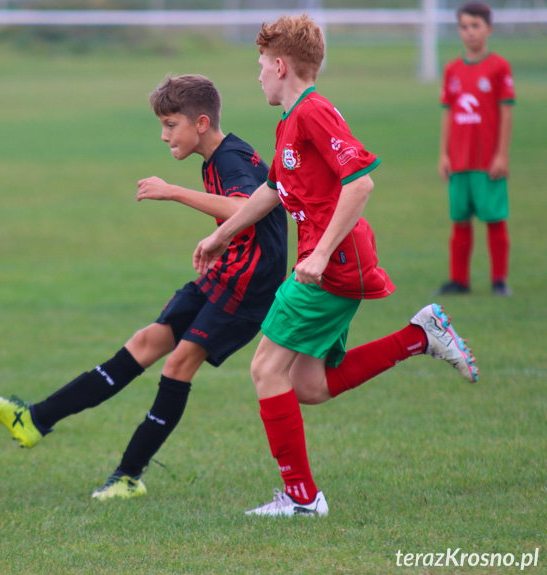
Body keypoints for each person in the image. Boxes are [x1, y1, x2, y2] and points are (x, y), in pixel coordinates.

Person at [193, 14, 479, 518]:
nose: (257, 74)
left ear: (280, 65)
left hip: (331, 265)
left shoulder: (313, 113)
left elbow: (361, 182)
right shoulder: (291, 120)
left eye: (260, 65)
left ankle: (303, 500)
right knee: (308, 385)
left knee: (265, 368)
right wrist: (220, 235)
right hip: (327, 262)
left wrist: (322, 253)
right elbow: (271, 191)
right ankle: (420, 335)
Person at [0, 74, 289, 500]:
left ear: (200, 123)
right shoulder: (217, 157)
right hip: (226, 273)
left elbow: (244, 205)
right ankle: (34, 420)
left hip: (247, 288)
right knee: (144, 343)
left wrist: (172, 191)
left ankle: (128, 476)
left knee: (177, 365)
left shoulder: (231, 159)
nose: (164, 135)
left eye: (170, 125)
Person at [436, 2, 515, 296]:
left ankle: (499, 281)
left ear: (488, 29)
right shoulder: (452, 69)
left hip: (487, 161)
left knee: (495, 218)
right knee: (459, 220)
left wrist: (501, 155)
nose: (469, 32)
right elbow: (447, 112)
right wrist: (444, 154)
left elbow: (506, 112)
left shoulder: (498, 67)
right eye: (464, 27)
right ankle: (459, 280)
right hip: (459, 161)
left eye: (475, 26)